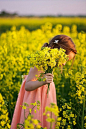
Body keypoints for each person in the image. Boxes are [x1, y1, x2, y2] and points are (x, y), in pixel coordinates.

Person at [11, 35, 77, 129]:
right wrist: (43, 82)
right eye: (65, 59)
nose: (64, 63)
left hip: (45, 99)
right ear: (58, 51)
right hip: (35, 100)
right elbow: (27, 85)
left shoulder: (51, 63)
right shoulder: (40, 62)